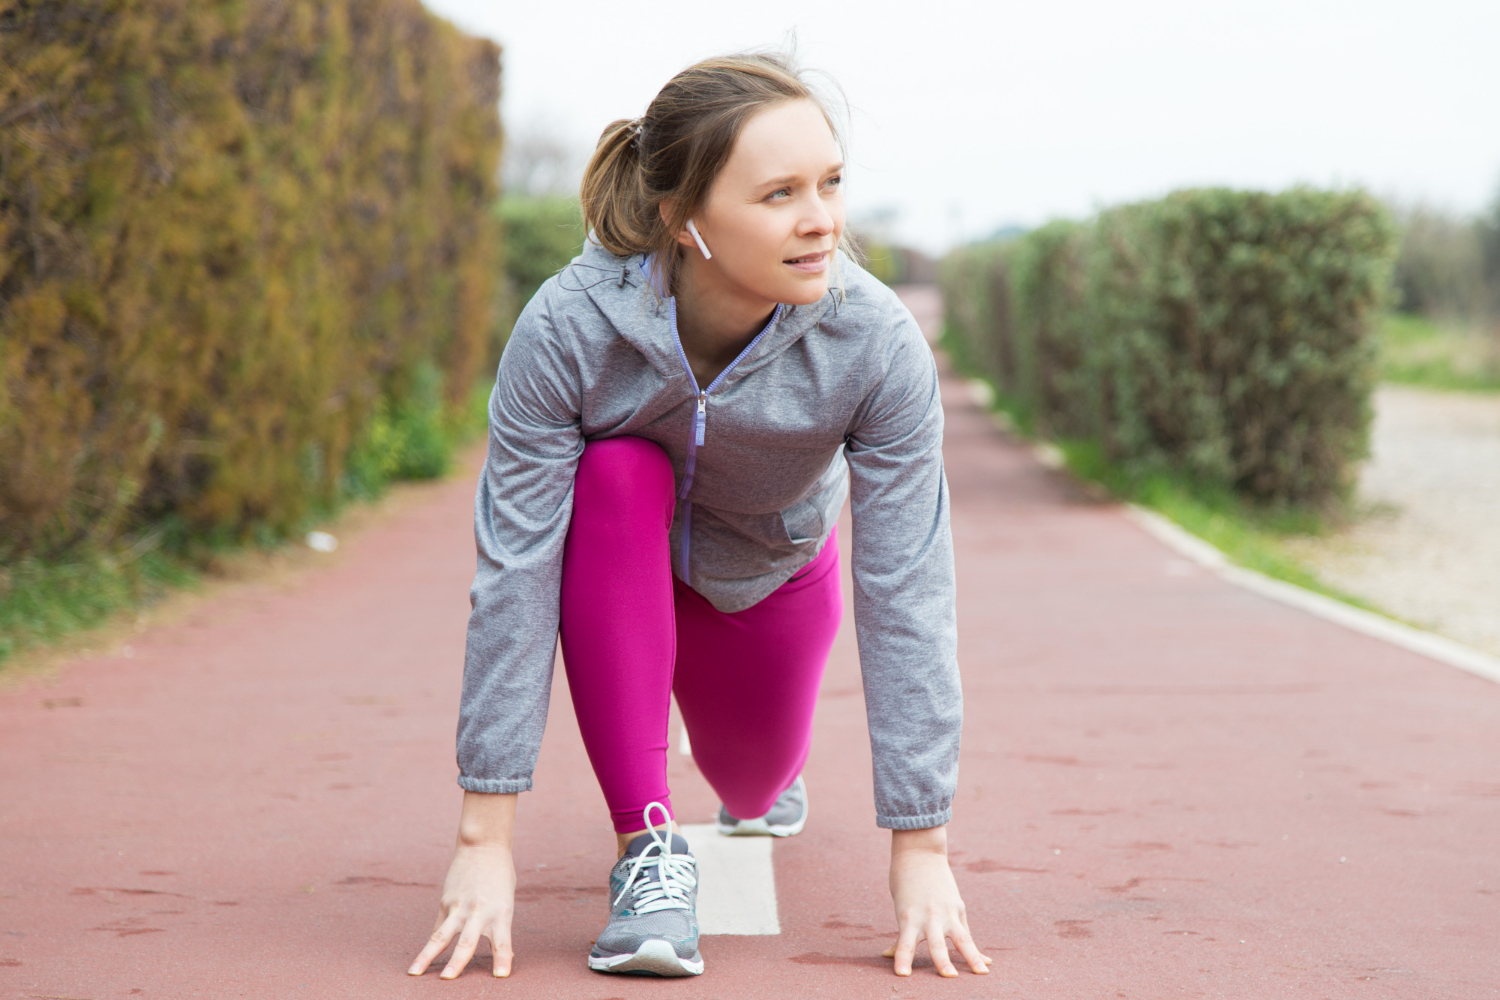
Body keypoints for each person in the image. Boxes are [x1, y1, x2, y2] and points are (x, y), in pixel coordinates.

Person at [408, 51, 989, 981]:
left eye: (830, 183)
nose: (822, 220)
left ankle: (766, 777)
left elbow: (908, 589)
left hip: (769, 577)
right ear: (684, 219)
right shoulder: (570, 328)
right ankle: (648, 853)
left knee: (749, 782)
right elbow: (515, 566)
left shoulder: (873, 345)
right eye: (779, 194)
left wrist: (923, 850)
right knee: (616, 466)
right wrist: (485, 833)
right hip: (618, 578)